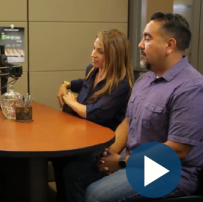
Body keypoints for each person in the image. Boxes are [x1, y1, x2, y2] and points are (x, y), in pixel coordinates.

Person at [63, 12, 203, 202]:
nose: (140, 44)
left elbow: (177, 149)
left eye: (147, 38)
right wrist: (110, 154)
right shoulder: (144, 80)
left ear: (169, 45)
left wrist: (122, 162)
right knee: (74, 172)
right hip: (133, 162)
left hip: (168, 173)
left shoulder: (191, 87)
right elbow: (128, 122)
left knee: (98, 195)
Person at [53, 29, 135, 202]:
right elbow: (82, 84)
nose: (93, 54)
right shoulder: (93, 70)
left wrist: (72, 102)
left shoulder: (121, 84)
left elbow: (94, 114)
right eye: (93, 49)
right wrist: (65, 84)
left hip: (102, 145)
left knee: (72, 172)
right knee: (57, 158)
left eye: (100, 51)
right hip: (82, 136)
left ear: (114, 55)